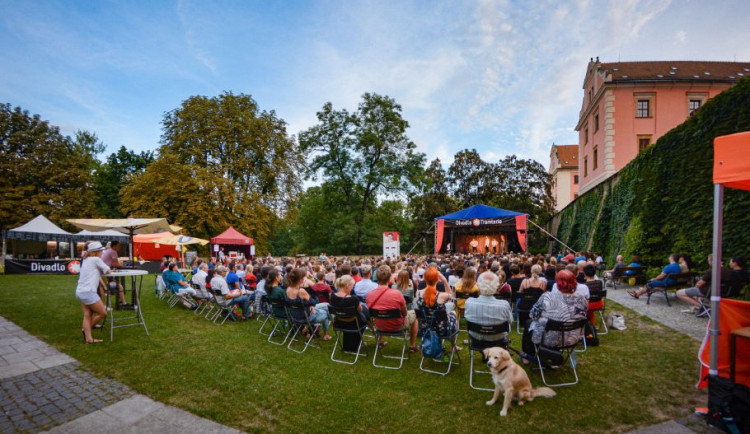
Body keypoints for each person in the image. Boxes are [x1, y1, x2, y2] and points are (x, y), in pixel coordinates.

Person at [521, 270, 588, 364]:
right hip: (572, 338)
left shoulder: (547, 297)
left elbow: (533, 315)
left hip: (549, 339)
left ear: (558, 283)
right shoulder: (582, 299)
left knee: (529, 323)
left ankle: (527, 355)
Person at [75, 241, 110, 344]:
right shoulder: (96, 260)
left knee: (87, 314)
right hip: (89, 292)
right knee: (103, 313)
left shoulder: (85, 260)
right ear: (97, 251)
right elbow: (107, 271)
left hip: (80, 291)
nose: (102, 253)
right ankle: (86, 330)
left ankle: (89, 338)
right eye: (101, 251)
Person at [416, 267, 458, 350]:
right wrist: (445, 281)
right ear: (437, 279)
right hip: (442, 330)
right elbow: (452, 297)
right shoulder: (442, 296)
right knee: (453, 313)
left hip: (425, 328)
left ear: (425, 279)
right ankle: (453, 346)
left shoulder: (418, 293)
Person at [367, 265, 408, 348]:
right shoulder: (397, 294)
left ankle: (380, 341)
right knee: (414, 318)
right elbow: (405, 313)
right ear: (389, 278)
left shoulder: (369, 295)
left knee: (380, 313)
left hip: (379, 326)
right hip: (397, 326)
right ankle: (412, 345)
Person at [464, 271, 512, 342]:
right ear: (496, 286)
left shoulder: (469, 302)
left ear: (478, 285)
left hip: (476, 336)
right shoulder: (504, 305)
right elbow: (510, 321)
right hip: (498, 337)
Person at [285, 268, 331, 340]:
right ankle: (327, 332)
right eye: (303, 277)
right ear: (300, 280)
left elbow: (311, 303)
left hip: (295, 315)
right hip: (306, 317)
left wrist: (311, 305)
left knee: (326, 305)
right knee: (326, 312)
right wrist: (311, 304)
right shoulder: (301, 291)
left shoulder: (288, 289)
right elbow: (313, 301)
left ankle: (324, 330)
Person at [391, 269, 419, 352]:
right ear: (408, 279)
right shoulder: (409, 290)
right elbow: (411, 300)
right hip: (405, 312)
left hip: (395, 312)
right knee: (415, 319)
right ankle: (412, 345)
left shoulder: (393, 287)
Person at [100, 240, 127, 306]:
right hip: (105, 274)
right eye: (119, 245)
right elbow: (117, 264)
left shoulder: (108, 251)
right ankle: (123, 303)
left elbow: (112, 263)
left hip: (102, 273)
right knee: (119, 286)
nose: (120, 247)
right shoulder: (113, 251)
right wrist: (122, 266)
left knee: (118, 285)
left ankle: (121, 301)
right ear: (114, 246)